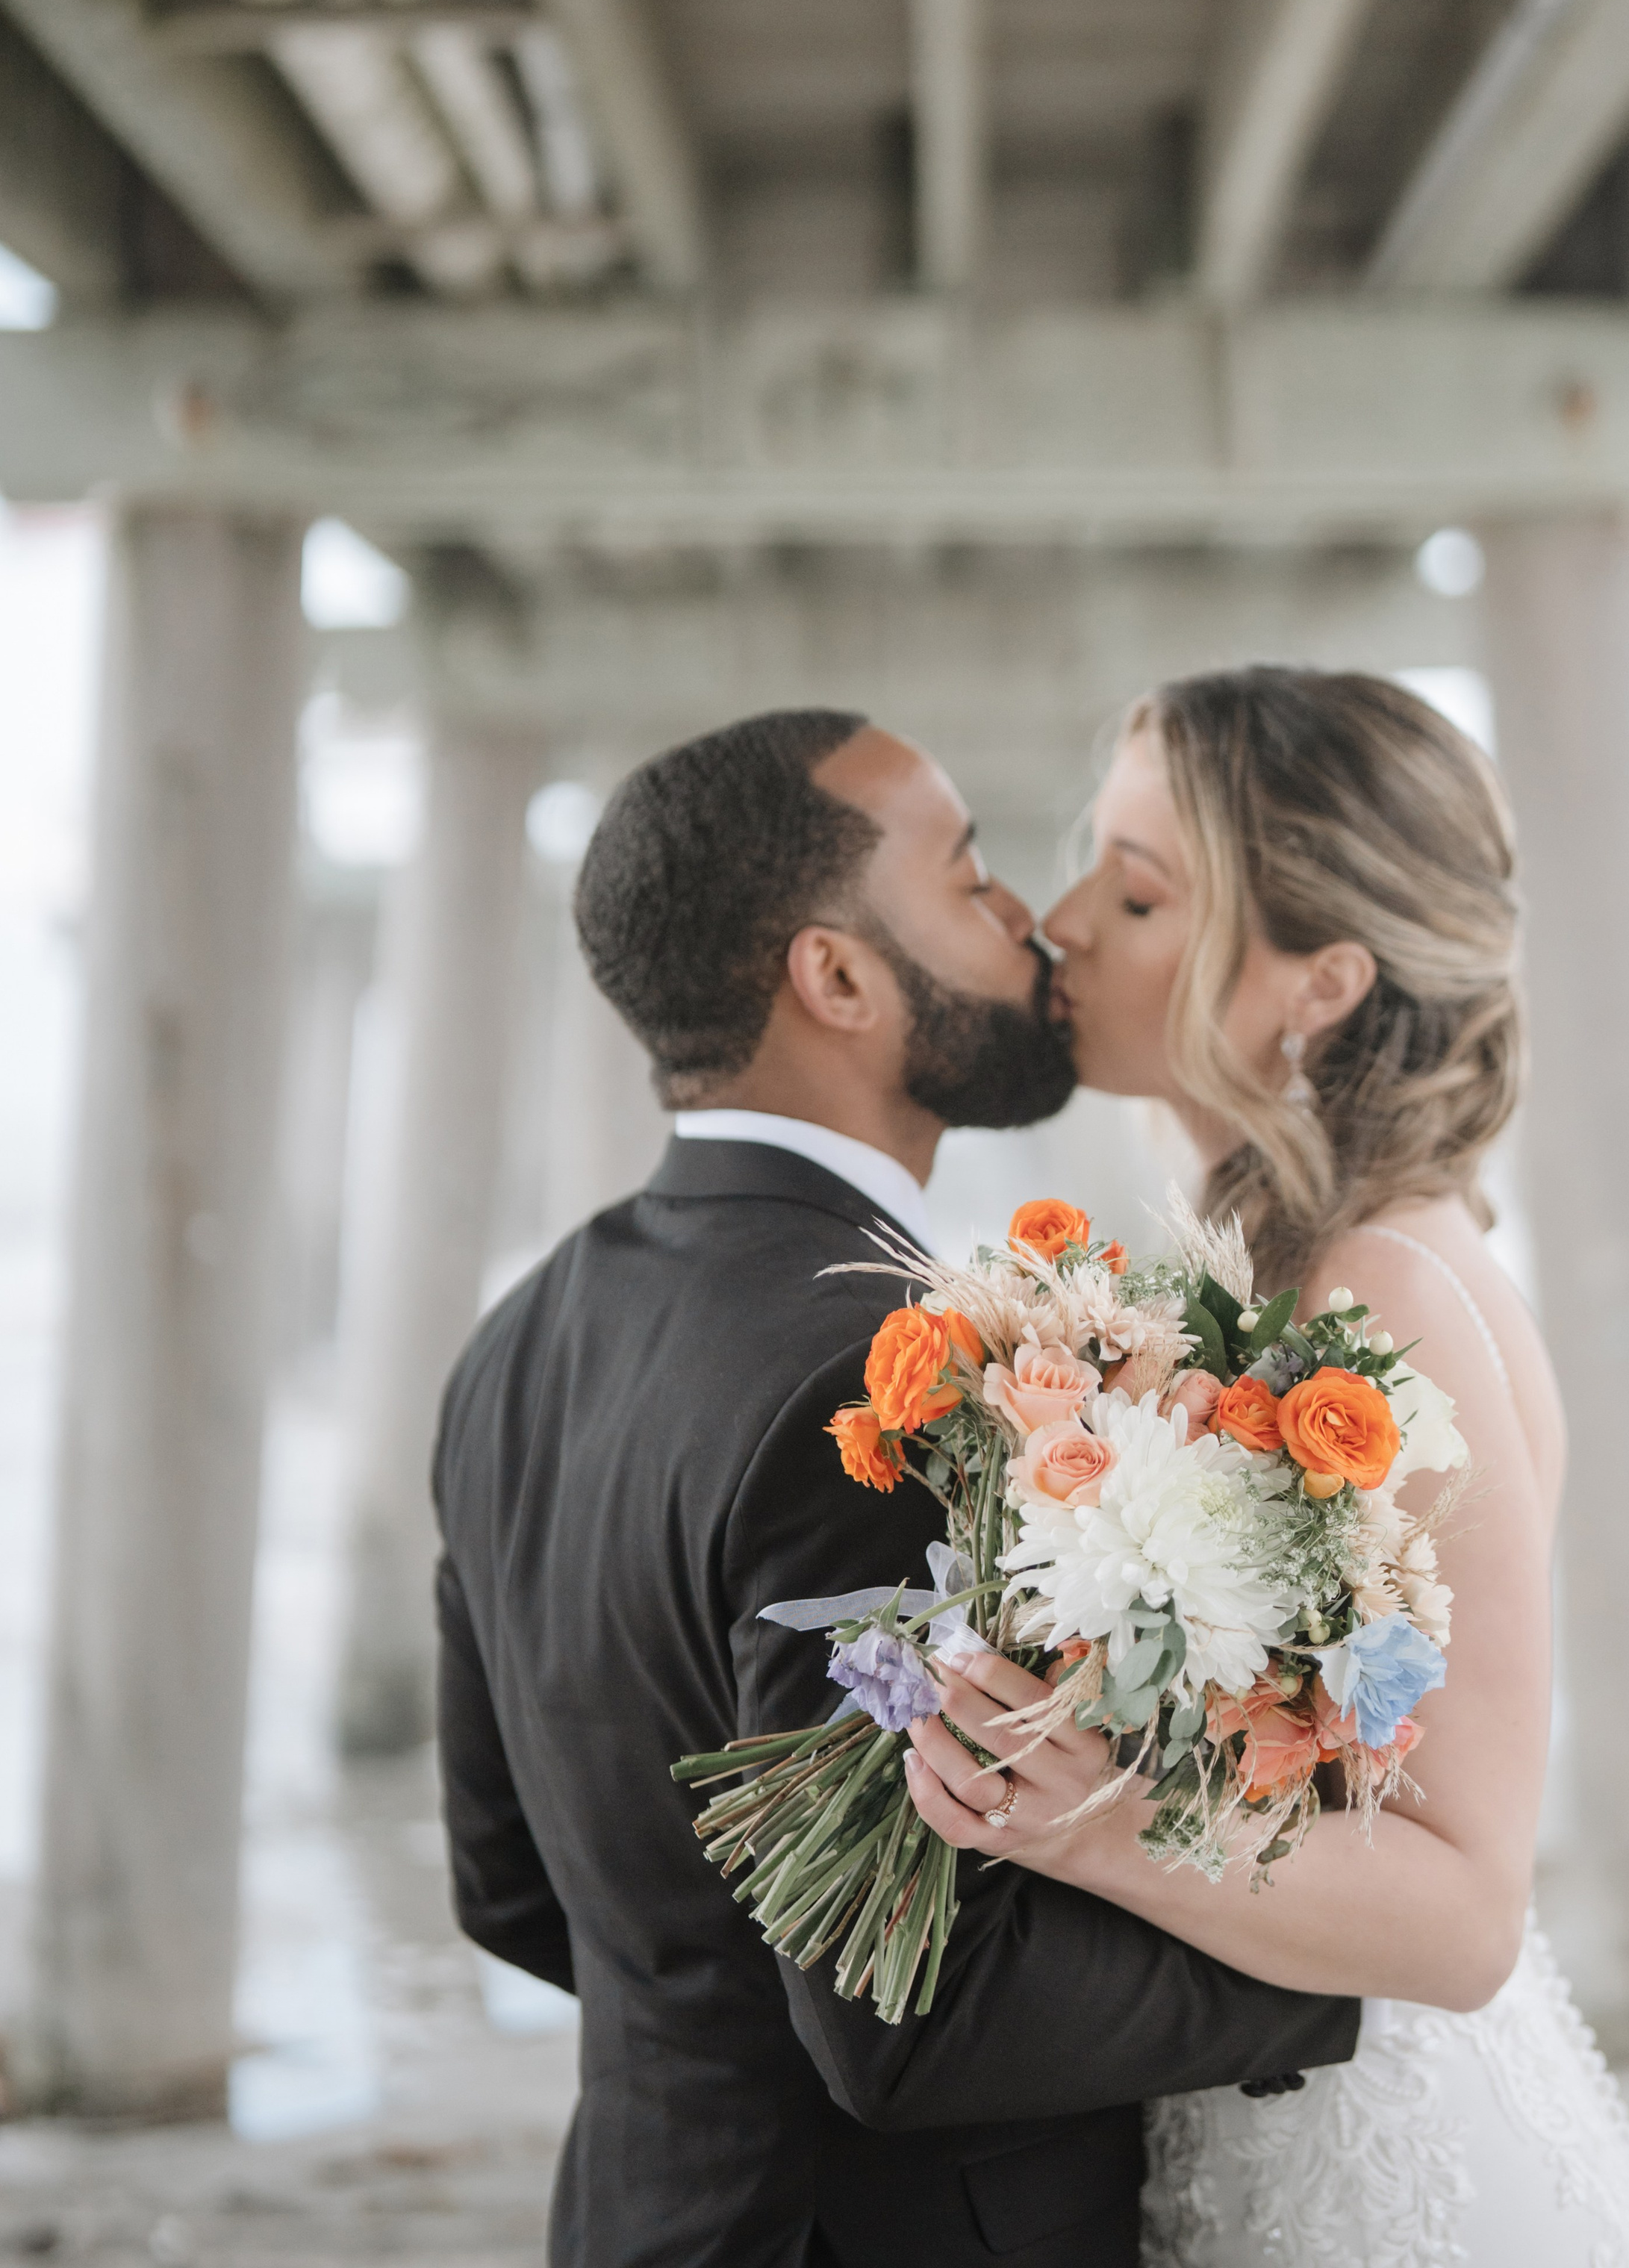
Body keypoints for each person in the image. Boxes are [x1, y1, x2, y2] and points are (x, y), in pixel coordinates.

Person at [431, 706, 1363, 2268]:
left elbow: (509, 1887)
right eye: (969, 872)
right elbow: (910, 2020)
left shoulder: (520, 1340)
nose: (1024, 917)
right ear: (837, 977)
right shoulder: (876, 1381)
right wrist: (1332, 1965)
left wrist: (715, 2047)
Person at [902, 669, 1629, 2267]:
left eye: (1136, 893)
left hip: (1390, 2163)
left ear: (1313, 982)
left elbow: (1466, 1919)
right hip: (1250, 2107)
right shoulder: (1282, 1272)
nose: (1059, 922)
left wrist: (1085, 1821)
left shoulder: (1376, 1291)